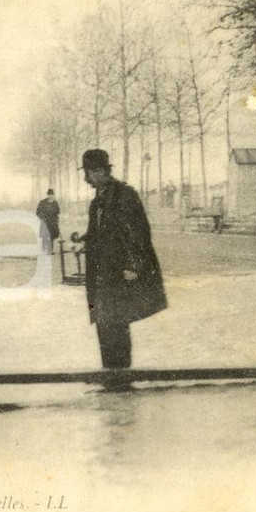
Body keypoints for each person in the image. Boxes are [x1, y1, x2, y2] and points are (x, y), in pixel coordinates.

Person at [78, 149, 167, 375]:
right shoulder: (98, 200)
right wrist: (84, 241)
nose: (86, 179)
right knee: (104, 323)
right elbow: (101, 232)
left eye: (88, 173)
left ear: (100, 171)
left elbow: (139, 232)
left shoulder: (124, 195)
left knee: (116, 323)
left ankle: (120, 376)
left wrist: (133, 265)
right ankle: (111, 373)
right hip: (102, 275)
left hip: (118, 273)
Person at [36, 188, 61, 254]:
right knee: (45, 236)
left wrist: (56, 219)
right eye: (49, 194)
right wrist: (43, 218)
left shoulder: (55, 203)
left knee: (52, 236)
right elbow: (38, 212)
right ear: (47, 195)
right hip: (45, 222)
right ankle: (44, 250)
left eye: (52, 194)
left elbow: (58, 212)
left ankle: (50, 250)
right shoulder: (42, 202)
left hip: (52, 223)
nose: (50, 196)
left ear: (53, 195)